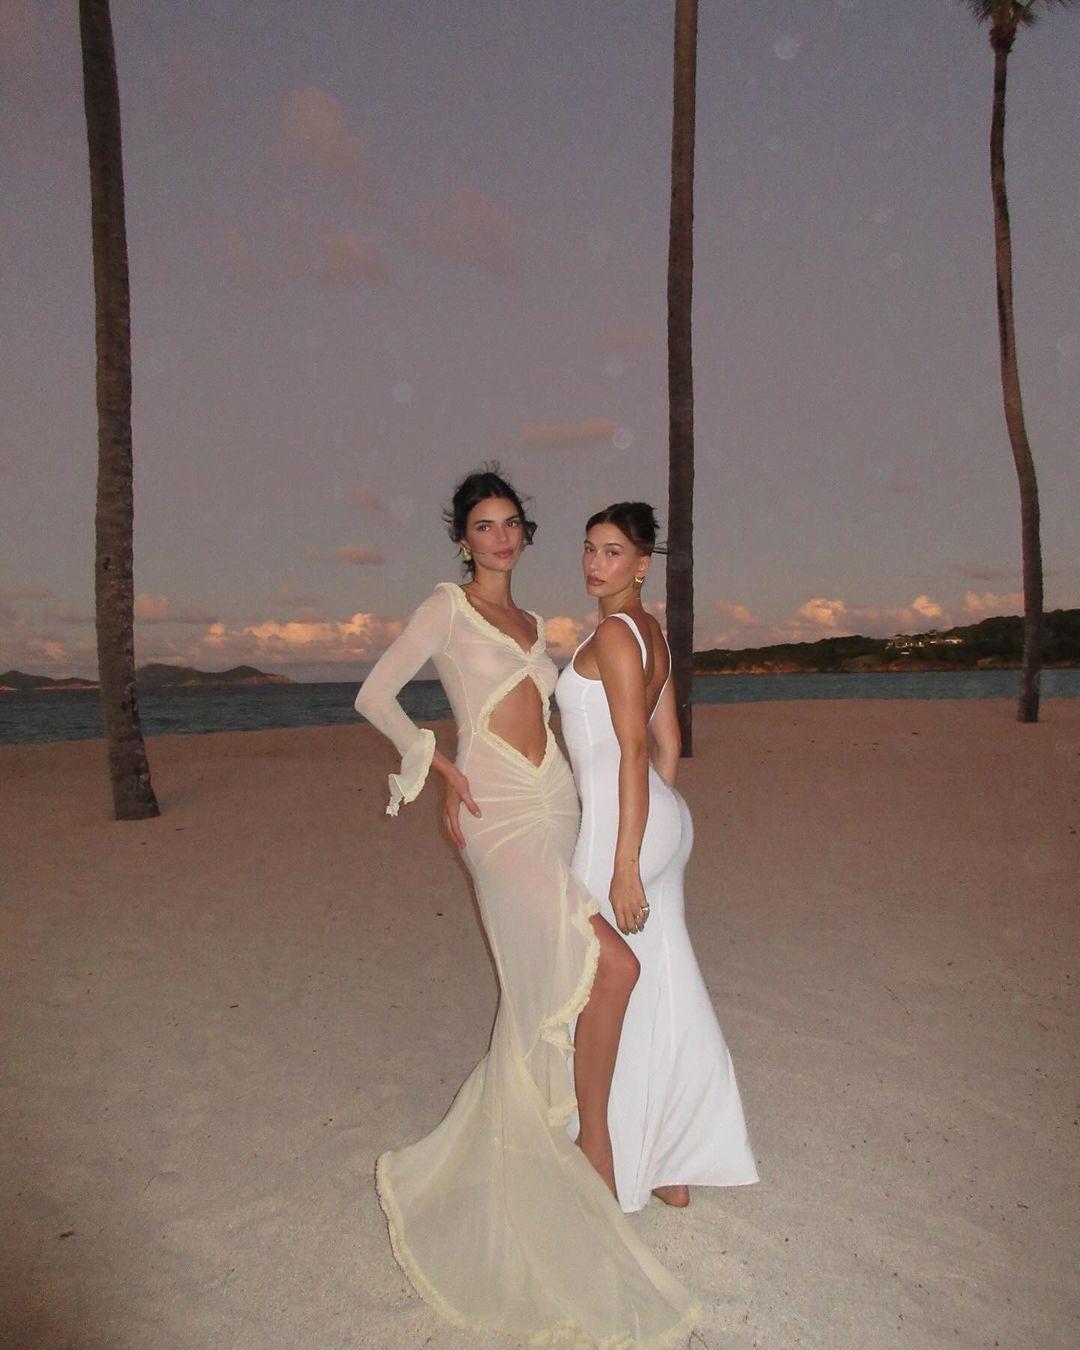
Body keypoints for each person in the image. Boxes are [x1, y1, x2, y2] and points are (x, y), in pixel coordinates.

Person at [354, 471, 697, 1345]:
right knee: (610, 964)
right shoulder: (447, 608)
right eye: (484, 526)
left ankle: (590, 1132)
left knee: (564, 975)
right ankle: (595, 1149)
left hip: (557, 801)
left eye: (511, 524)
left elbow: (592, 720)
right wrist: (435, 763)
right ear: (463, 540)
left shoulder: (539, 625)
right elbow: (374, 695)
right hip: (496, 810)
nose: (501, 538)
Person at [555, 501, 758, 1214]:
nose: (595, 563)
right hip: (660, 817)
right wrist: (659, 826)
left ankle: (606, 1152)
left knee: (594, 984)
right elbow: (669, 743)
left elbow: (636, 747)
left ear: (642, 564)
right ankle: (673, 1158)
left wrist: (626, 860)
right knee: (664, 984)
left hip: (623, 829)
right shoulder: (651, 633)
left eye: (612, 552)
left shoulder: (615, 634)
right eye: (589, 548)